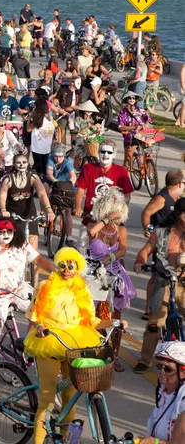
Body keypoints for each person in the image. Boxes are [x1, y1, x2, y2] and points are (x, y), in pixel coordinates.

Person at [24, 247, 121, 444]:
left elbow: (91, 320)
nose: (66, 269)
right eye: (62, 265)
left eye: (71, 266)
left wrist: (113, 322)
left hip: (76, 342)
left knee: (71, 394)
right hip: (49, 339)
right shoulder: (45, 285)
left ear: (77, 268)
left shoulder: (82, 288)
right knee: (47, 398)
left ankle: (67, 440)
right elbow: (34, 315)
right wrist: (40, 326)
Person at [0, 219, 54, 372]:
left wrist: (55, 271)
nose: (5, 234)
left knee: (45, 310)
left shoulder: (21, 244)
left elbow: (38, 259)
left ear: (14, 232)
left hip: (19, 290)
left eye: (8, 231)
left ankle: (31, 344)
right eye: (1, 231)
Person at [85, 187, 135, 371]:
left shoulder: (121, 230)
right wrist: (106, 219)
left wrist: (111, 258)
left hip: (114, 277)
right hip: (95, 278)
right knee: (97, 316)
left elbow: (122, 249)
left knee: (115, 318)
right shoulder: (94, 227)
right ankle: (96, 350)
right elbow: (91, 234)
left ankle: (114, 355)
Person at [134, 198, 185, 372]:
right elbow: (147, 249)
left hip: (183, 284)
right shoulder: (163, 233)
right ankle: (145, 360)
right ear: (178, 214)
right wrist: (140, 260)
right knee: (154, 324)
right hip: (162, 281)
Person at [0, 153, 55, 252]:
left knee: (34, 251)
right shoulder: (8, 179)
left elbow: (42, 194)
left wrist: (49, 210)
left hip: (29, 214)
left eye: (24, 162)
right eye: (18, 162)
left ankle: (33, 267)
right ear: (14, 164)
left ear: (28, 164)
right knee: (12, 248)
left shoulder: (33, 177)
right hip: (12, 214)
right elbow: (2, 196)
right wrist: (3, 209)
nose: (21, 165)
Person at [74, 140, 133, 225]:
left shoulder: (121, 171)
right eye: (103, 151)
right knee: (85, 236)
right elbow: (80, 189)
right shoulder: (88, 168)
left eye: (109, 152)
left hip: (111, 218)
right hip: (91, 215)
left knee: (122, 235)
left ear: (114, 154)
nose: (105, 155)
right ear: (98, 153)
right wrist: (78, 208)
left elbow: (127, 196)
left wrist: (121, 210)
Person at [139, 341, 185, 443]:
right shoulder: (164, 390)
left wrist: (156, 442)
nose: (161, 372)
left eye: (168, 369)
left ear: (183, 372)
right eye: (159, 366)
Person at [117, 91, 152, 167]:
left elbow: (148, 119)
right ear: (126, 99)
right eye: (129, 98)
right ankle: (123, 176)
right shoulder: (122, 112)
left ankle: (149, 167)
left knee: (149, 145)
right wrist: (134, 127)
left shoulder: (140, 110)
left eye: (133, 98)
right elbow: (121, 127)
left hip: (141, 134)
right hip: (129, 137)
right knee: (127, 161)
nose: (131, 99)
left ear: (136, 100)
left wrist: (146, 124)